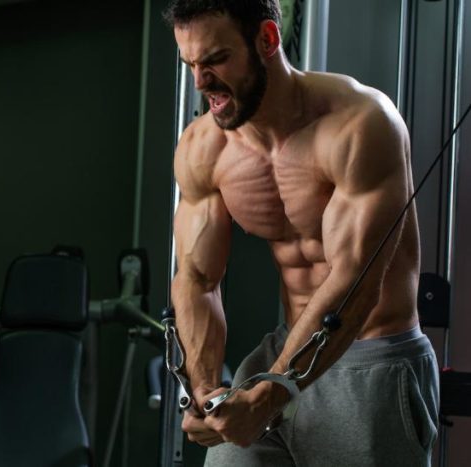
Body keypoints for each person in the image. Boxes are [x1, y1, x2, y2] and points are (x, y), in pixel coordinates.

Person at [163, 1, 440, 466]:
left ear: (268, 40)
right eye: (190, 64)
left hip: (371, 359)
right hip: (284, 348)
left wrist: (271, 395)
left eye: (214, 61)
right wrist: (205, 389)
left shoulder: (360, 124)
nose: (200, 82)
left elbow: (356, 282)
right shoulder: (202, 147)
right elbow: (195, 277)